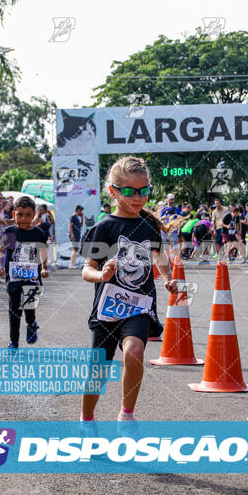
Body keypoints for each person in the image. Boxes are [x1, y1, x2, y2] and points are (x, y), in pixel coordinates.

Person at [79, 155, 177, 431]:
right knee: (97, 372)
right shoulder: (104, 228)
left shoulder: (148, 227)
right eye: (130, 191)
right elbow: (87, 269)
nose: (138, 197)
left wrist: (169, 278)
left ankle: (126, 415)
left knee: (134, 351)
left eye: (144, 191)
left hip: (140, 306)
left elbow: (159, 258)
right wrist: (102, 275)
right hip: (107, 310)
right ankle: (87, 421)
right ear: (113, 191)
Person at [0, 196, 49, 349]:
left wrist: (45, 267)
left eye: (27, 215)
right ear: (13, 215)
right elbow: (0, 251)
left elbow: (43, 251)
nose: (23, 219)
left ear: (33, 216)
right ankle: (14, 342)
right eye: (19, 215)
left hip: (32, 276)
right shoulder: (10, 231)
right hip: (14, 276)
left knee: (29, 306)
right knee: (14, 309)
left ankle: (31, 324)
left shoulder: (37, 233)